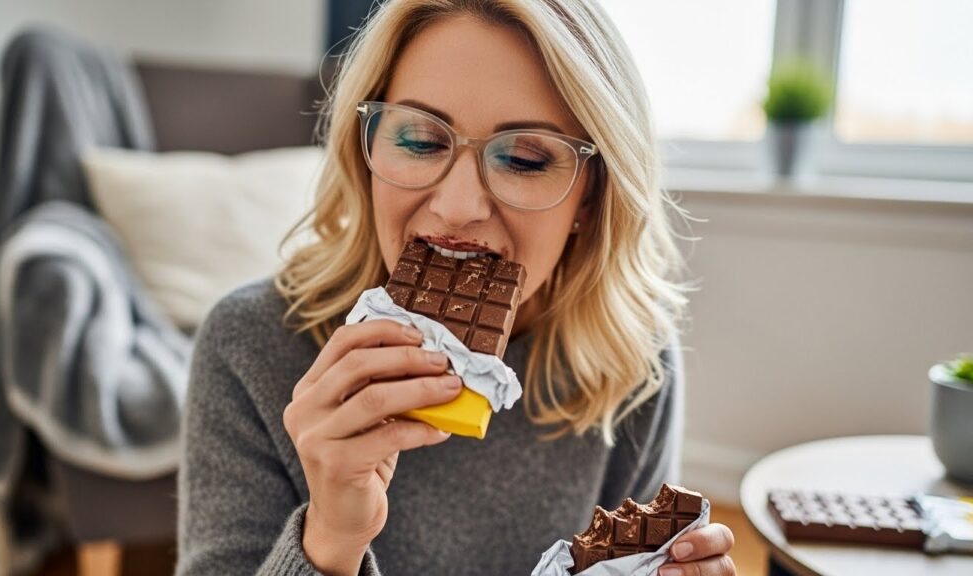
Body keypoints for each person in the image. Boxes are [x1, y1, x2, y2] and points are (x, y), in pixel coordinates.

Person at [177, 1, 736, 575]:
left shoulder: (630, 365)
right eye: (420, 141)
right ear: (364, 152)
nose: (457, 206)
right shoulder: (249, 345)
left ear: (589, 198)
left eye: (522, 158)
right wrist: (330, 539)